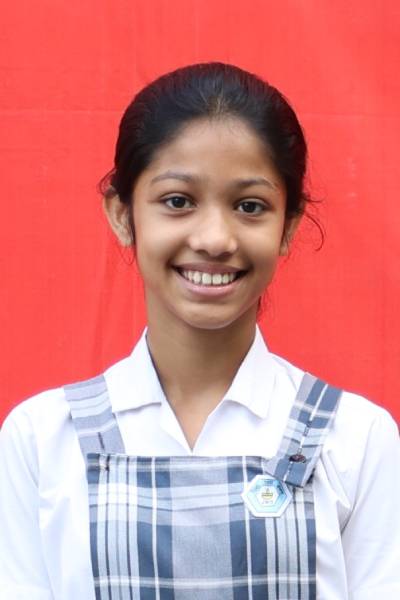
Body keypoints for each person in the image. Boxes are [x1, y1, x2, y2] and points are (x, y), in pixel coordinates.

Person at [0, 62, 399, 600]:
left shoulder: (357, 439)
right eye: (178, 201)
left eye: (250, 206)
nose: (214, 238)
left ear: (288, 225)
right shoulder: (40, 440)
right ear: (122, 214)